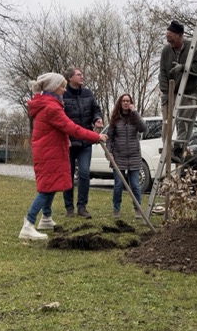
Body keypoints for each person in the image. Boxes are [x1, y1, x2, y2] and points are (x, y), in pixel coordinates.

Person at [19, 73, 107, 241]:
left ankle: (46, 218)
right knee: (46, 189)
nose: (64, 89)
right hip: (48, 152)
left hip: (50, 150)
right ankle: (28, 224)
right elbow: (72, 128)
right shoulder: (51, 108)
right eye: (62, 86)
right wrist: (96, 136)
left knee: (51, 185)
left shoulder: (49, 104)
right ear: (53, 88)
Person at [62, 66, 104, 219]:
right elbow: (60, 118)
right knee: (68, 174)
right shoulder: (62, 95)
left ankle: (82, 207)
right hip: (68, 143)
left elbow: (95, 109)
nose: (82, 77)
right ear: (70, 78)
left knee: (85, 173)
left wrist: (97, 118)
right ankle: (69, 208)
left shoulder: (88, 93)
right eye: (79, 75)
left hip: (85, 142)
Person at [158, 20, 197, 159]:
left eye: (171, 38)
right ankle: (167, 148)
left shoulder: (192, 48)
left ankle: (178, 148)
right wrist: (165, 92)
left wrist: (184, 68)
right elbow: (163, 72)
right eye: (167, 38)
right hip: (171, 93)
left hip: (188, 93)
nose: (169, 41)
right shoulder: (166, 51)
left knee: (182, 122)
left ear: (180, 35)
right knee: (167, 122)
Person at [106, 94, 148, 219]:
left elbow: (143, 128)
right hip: (119, 157)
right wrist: (109, 152)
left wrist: (135, 112)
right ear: (120, 103)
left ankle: (137, 209)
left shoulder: (135, 117)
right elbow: (109, 137)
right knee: (118, 185)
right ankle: (116, 209)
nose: (125, 103)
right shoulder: (115, 119)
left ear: (131, 103)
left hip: (134, 156)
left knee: (135, 185)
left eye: (128, 101)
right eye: (123, 101)